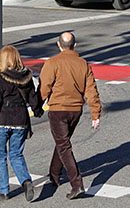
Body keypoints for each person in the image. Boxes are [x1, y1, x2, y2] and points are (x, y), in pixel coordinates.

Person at [38, 32, 101, 200]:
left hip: (58, 110)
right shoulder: (83, 64)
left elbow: (44, 88)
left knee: (63, 145)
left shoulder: (52, 63)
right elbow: (91, 90)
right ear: (75, 45)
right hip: (75, 111)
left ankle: (77, 184)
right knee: (63, 142)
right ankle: (54, 174)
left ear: (59, 45)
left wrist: (37, 106)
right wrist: (95, 113)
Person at [0, 45, 44, 201]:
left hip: (2, 121)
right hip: (21, 121)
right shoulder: (26, 77)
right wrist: (38, 111)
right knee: (16, 154)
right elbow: (33, 100)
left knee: (0, 155)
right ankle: (25, 181)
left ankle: (3, 190)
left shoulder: (1, 78)